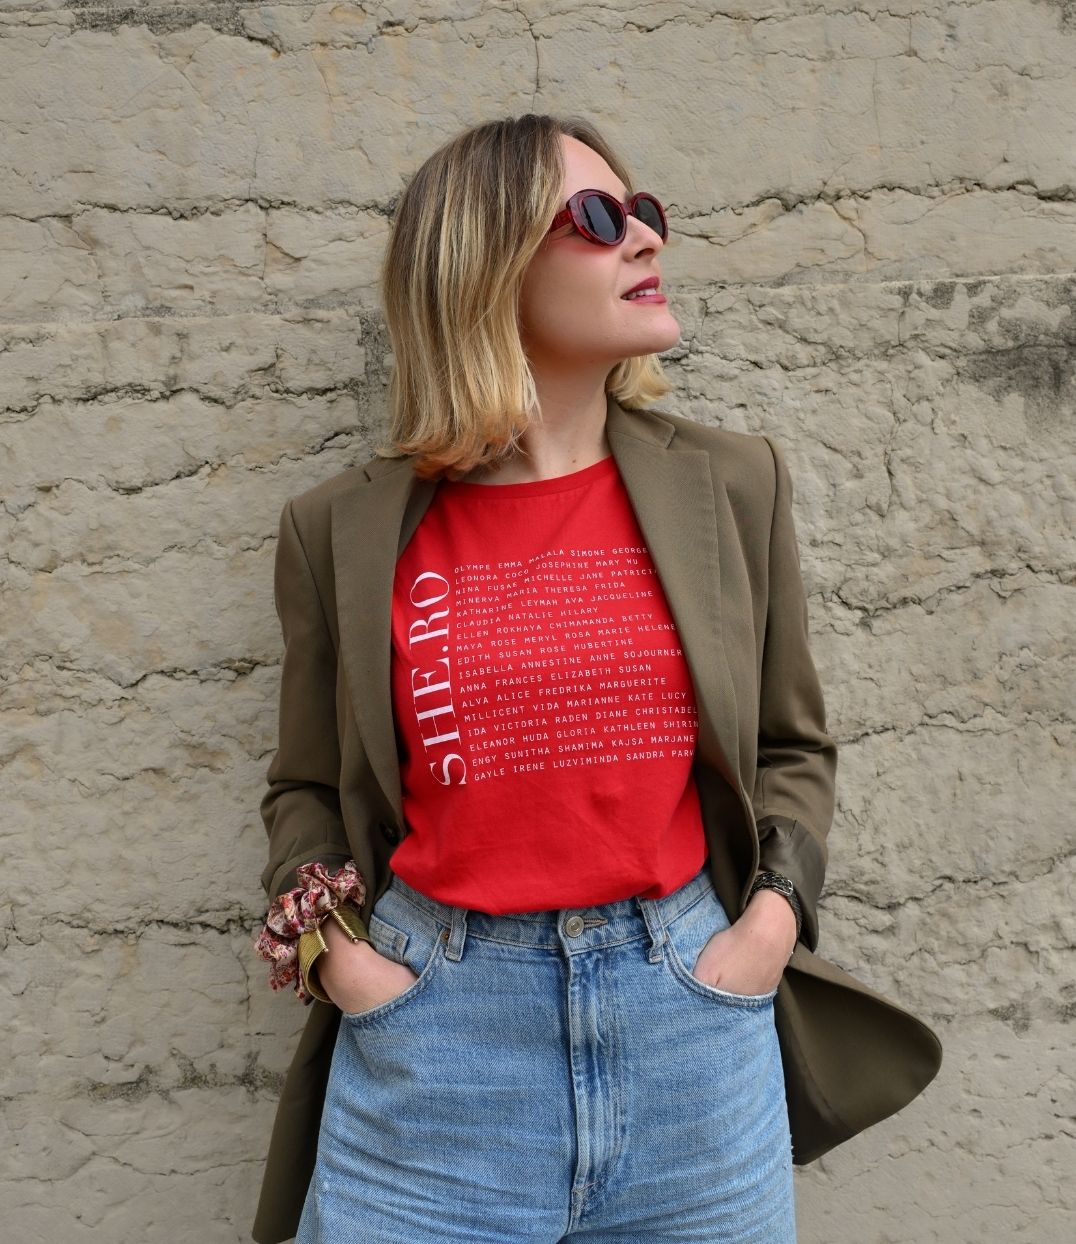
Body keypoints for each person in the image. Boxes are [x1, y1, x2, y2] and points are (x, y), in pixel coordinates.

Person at [251, 113, 942, 1244]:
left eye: (645, 214)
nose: (641, 239)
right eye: (594, 218)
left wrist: (765, 926)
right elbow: (307, 786)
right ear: (481, 266)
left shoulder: (728, 483)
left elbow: (789, 746)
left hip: (690, 1033)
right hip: (436, 1041)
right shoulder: (341, 528)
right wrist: (341, 963)